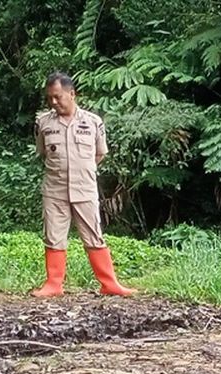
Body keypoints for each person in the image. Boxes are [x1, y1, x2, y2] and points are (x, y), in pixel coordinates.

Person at [32, 72, 134, 298]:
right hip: (55, 188)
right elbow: (42, 153)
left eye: (58, 97)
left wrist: (80, 169)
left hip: (85, 188)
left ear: (72, 93)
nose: (54, 102)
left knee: (94, 235)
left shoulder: (93, 122)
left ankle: (110, 284)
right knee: (54, 235)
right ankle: (53, 285)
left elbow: (99, 154)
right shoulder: (43, 123)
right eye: (50, 98)